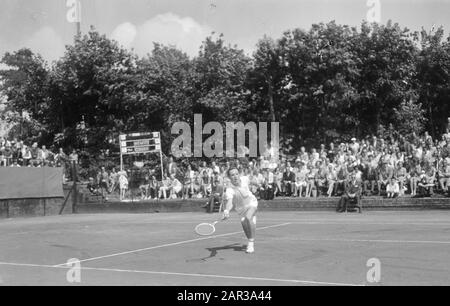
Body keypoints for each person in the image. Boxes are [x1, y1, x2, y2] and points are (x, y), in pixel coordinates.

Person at [222, 167, 259, 254]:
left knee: (248, 217)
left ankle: (251, 243)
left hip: (251, 203)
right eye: (232, 175)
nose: (235, 176)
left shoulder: (245, 179)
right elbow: (230, 202)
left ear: (239, 174)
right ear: (229, 177)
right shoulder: (229, 189)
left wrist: (256, 184)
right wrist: (226, 211)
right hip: (241, 209)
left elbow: (253, 181)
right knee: (244, 224)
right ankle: (250, 238)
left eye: (236, 174)